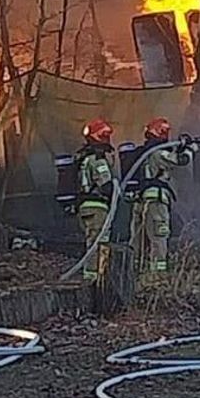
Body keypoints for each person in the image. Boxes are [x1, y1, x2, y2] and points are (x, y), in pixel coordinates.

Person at [129, 118, 196, 284]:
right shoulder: (158, 152)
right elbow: (180, 161)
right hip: (156, 202)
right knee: (159, 237)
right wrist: (190, 149)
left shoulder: (145, 152)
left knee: (139, 240)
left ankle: (135, 276)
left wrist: (181, 145)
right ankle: (156, 279)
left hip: (140, 200)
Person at [73, 119, 116, 281]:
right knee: (99, 244)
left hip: (84, 206)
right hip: (97, 207)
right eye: (105, 135)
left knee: (91, 242)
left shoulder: (83, 157)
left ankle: (91, 277)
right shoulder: (98, 159)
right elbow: (106, 186)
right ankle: (97, 280)